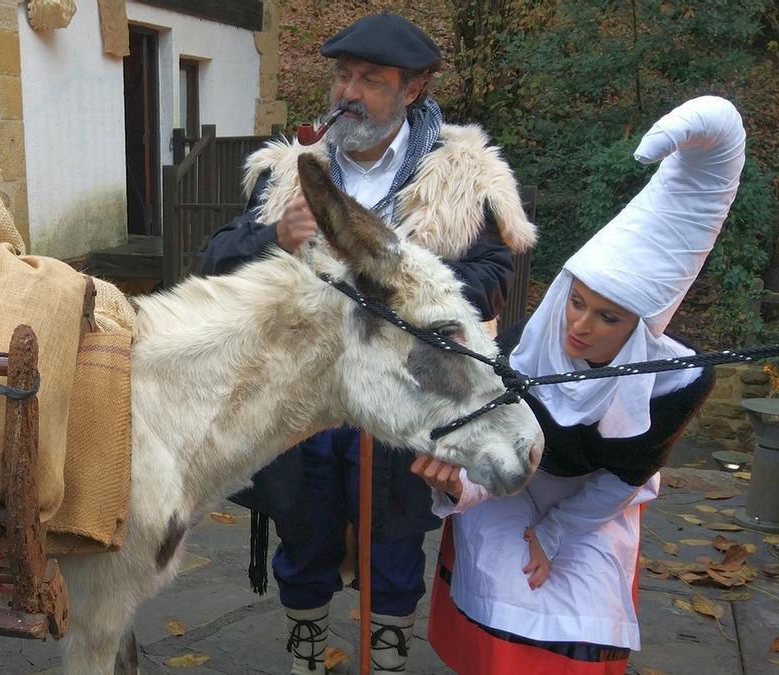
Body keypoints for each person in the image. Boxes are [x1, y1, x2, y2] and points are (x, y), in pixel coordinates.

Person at [200, 13, 536, 674]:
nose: (347, 93)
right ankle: (306, 653)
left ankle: (384, 659)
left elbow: (494, 279)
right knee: (302, 525)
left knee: (394, 535)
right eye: (343, 76)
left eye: (370, 81)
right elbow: (213, 262)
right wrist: (275, 238)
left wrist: (402, 279)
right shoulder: (293, 172)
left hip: (407, 395)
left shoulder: (461, 179)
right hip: (307, 393)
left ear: (411, 90)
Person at [418, 96, 745, 675]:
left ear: (643, 328)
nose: (578, 326)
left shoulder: (673, 384)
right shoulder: (520, 349)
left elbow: (624, 475)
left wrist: (556, 534)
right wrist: (455, 485)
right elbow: (488, 451)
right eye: (576, 301)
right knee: (501, 573)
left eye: (608, 318)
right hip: (511, 477)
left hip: (596, 496)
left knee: (584, 602)